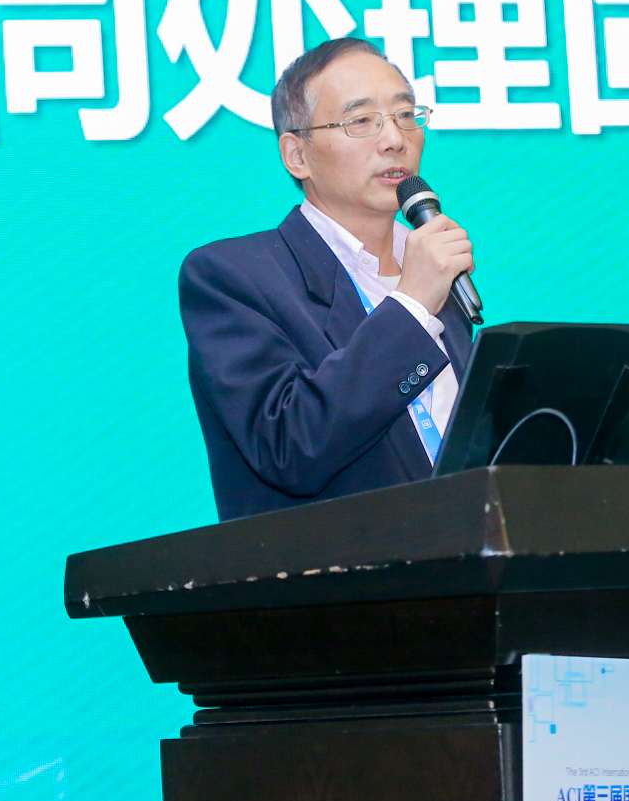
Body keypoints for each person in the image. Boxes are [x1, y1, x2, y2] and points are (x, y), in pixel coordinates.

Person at [179, 37, 478, 521]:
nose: (395, 138)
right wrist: (412, 306)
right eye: (361, 121)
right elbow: (287, 446)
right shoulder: (233, 278)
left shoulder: (437, 274)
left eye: (405, 115)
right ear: (297, 155)